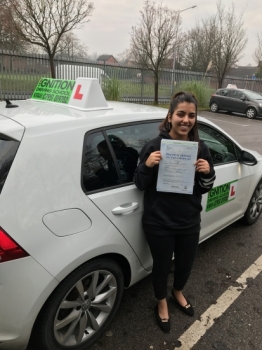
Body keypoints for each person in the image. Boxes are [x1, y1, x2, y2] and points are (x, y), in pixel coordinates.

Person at [134, 91, 216, 333]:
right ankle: (161, 303)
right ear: (170, 116)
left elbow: (205, 187)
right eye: (181, 114)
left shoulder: (201, 149)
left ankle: (177, 292)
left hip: (189, 221)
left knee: (185, 265)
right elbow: (139, 183)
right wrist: (147, 166)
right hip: (159, 223)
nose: (186, 120)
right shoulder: (153, 147)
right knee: (161, 266)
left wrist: (207, 172)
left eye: (191, 115)